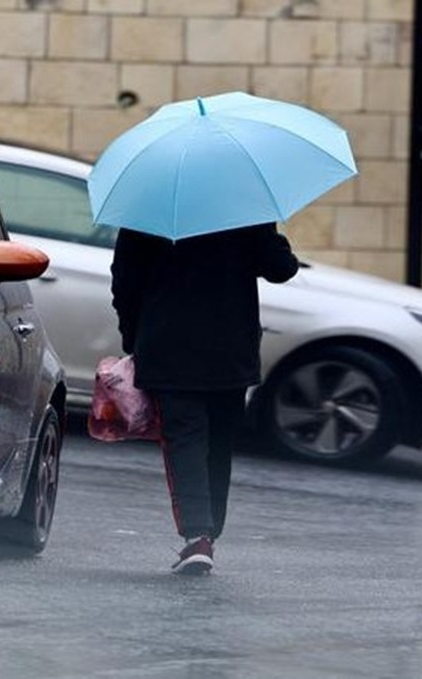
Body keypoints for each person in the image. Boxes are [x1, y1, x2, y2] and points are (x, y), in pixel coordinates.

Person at [111, 222, 300, 575]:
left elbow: (125, 281)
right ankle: (208, 532)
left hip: (169, 346)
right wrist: (269, 230)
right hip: (230, 349)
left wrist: (134, 337)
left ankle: (199, 535)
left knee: (185, 439)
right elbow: (281, 269)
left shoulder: (149, 210)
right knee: (218, 442)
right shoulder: (245, 209)